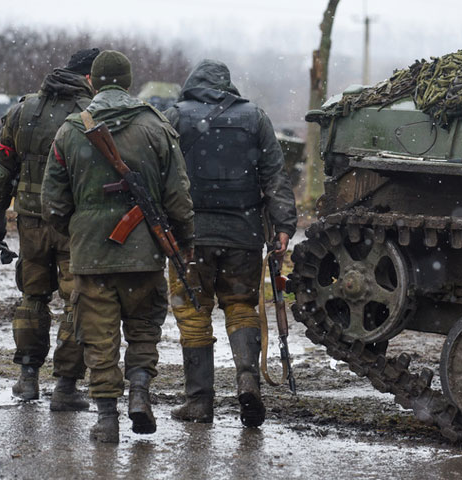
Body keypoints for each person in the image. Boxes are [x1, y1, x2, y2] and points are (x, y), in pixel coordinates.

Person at [42, 50, 194, 443]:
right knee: (143, 330)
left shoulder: (70, 130)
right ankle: (139, 392)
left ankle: (107, 419)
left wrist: (80, 228)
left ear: (91, 81)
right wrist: (183, 240)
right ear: (128, 82)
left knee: (99, 338)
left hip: (91, 258)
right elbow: (178, 196)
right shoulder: (156, 126)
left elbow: (53, 205)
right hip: (144, 256)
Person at [164, 59, 297, 427]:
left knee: (193, 313)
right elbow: (274, 175)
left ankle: (199, 402)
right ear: (228, 85)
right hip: (244, 236)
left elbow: (161, 176)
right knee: (241, 307)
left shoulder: (174, 117)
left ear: (192, 83)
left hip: (190, 238)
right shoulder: (255, 117)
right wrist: (284, 224)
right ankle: (247, 382)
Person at [0, 48, 100, 410]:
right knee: (75, 301)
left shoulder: (22, 111)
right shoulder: (91, 115)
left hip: (31, 221)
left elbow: (1, 170)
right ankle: (65, 386)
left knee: (32, 296)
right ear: (88, 78)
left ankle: (28, 378)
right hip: (73, 224)